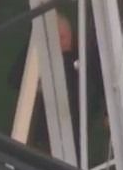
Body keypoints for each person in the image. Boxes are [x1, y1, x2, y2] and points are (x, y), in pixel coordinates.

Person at [8, 12, 104, 153]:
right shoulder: (35, 54)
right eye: (58, 38)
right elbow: (14, 79)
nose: (63, 43)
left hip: (74, 121)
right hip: (42, 124)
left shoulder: (81, 53)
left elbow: (99, 81)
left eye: (65, 37)